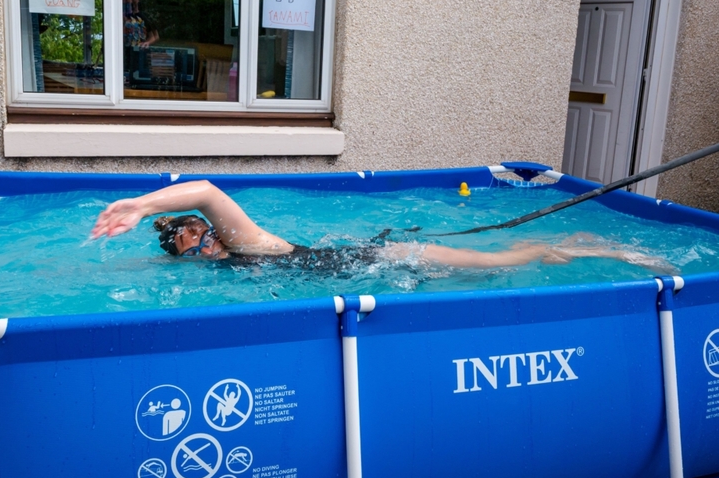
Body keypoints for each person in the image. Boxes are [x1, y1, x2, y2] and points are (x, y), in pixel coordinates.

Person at [90, 180, 670, 271]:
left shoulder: (243, 243)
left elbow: (209, 192)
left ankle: (594, 249)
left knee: (503, 263)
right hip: (362, 265)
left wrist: (141, 204)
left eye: (190, 231)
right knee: (502, 259)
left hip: (386, 262)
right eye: (179, 243)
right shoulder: (214, 265)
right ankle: (557, 245)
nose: (189, 242)